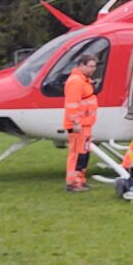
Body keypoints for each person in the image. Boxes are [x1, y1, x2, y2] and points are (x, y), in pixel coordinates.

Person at [60, 53, 99, 192]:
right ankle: (73, 183)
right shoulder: (76, 81)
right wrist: (76, 122)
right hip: (79, 125)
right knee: (77, 154)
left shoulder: (84, 80)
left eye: (94, 66)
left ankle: (80, 180)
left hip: (85, 124)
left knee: (83, 153)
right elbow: (72, 104)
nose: (93, 69)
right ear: (81, 65)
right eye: (90, 66)